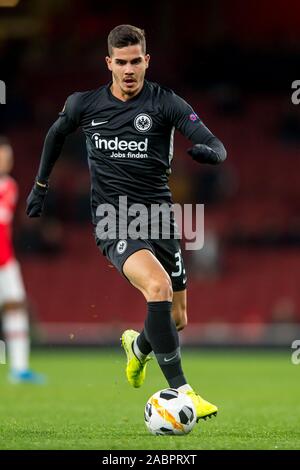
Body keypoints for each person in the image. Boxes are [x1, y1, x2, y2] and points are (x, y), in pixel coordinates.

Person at [26, 25, 226, 421]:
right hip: (113, 218)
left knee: (177, 318)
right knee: (157, 286)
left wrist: (210, 153)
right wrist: (40, 186)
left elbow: (216, 143)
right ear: (109, 64)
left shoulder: (166, 102)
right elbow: (55, 134)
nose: (129, 69)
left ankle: (137, 349)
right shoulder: (84, 104)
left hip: (160, 218)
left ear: (146, 61)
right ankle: (182, 390)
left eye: (136, 61)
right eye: (122, 62)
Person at [0, 136, 44, 383]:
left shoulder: (9, 185)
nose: (6, 162)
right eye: (2, 158)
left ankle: (19, 368)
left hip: (6, 259)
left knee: (16, 307)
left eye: (9, 158)